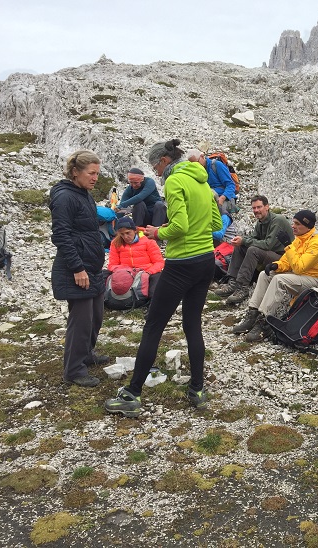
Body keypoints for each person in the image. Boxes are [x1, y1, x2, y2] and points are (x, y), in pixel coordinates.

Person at [105, 139, 222, 417]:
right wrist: (191, 230)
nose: (155, 172)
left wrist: (158, 232)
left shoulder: (174, 182)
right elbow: (216, 225)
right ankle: (197, 389)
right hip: (206, 261)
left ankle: (132, 394)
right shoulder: (202, 182)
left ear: (164, 161)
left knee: (154, 325)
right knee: (192, 324)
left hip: (181, 263)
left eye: (155, 165)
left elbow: (180, 226)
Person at [50, 150, 109, 387]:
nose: (95, 178)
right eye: (91, 173)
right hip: (76, 268)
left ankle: (86, 354)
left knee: (96, 316)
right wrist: (77, 268)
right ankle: (74, 370)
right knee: (81, 320)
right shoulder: (65, 197)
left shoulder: (83, 193)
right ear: (76, 172)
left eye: (97, 173)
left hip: (91, 266)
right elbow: (61, 236)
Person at [232, 210, 318, 342]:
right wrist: (276, 266)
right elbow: (287, 261)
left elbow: (299, 267)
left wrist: (287, 245)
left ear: (307, 226)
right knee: (265, 274)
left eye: (297, 224)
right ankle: (252, 314)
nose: (293, 226)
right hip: (303, 277)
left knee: (279, 279)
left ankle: (265, 322)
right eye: (293, 222)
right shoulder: (300, 239)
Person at [214, 195, 293, 305]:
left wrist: (244, 241)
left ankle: (243, 287)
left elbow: (267, 245)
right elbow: (253, 238)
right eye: (254, 208)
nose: (256, 210)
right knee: (240, 246)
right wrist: (241, 240)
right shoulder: (261, 222)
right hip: (270, 254)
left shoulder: (277, 221)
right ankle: (232, 282)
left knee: (252, 250)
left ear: (267, 207)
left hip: (283, 259)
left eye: (259, 207)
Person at [106, 216, 164, 299]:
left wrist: (148, 272)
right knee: (104, 274)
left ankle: (152, 301)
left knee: (158, 276)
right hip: (125, 274)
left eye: (128, 233)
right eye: (122, 234)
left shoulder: (148, 241)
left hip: (145, 272)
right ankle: (106, 299)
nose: (125, 237)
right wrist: (125, 271)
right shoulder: (115, 243)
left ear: (135, 230)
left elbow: (159, 262)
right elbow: (112, 265)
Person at [186, 149, 235, 216]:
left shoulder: (217, 165)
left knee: (223, 216)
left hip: (224, 199)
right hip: (209, 200)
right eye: (192, 165)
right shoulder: (196, 172)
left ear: (202, 156)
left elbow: (230, 185)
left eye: (197, 162)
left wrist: (222, 198)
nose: (195, 166)